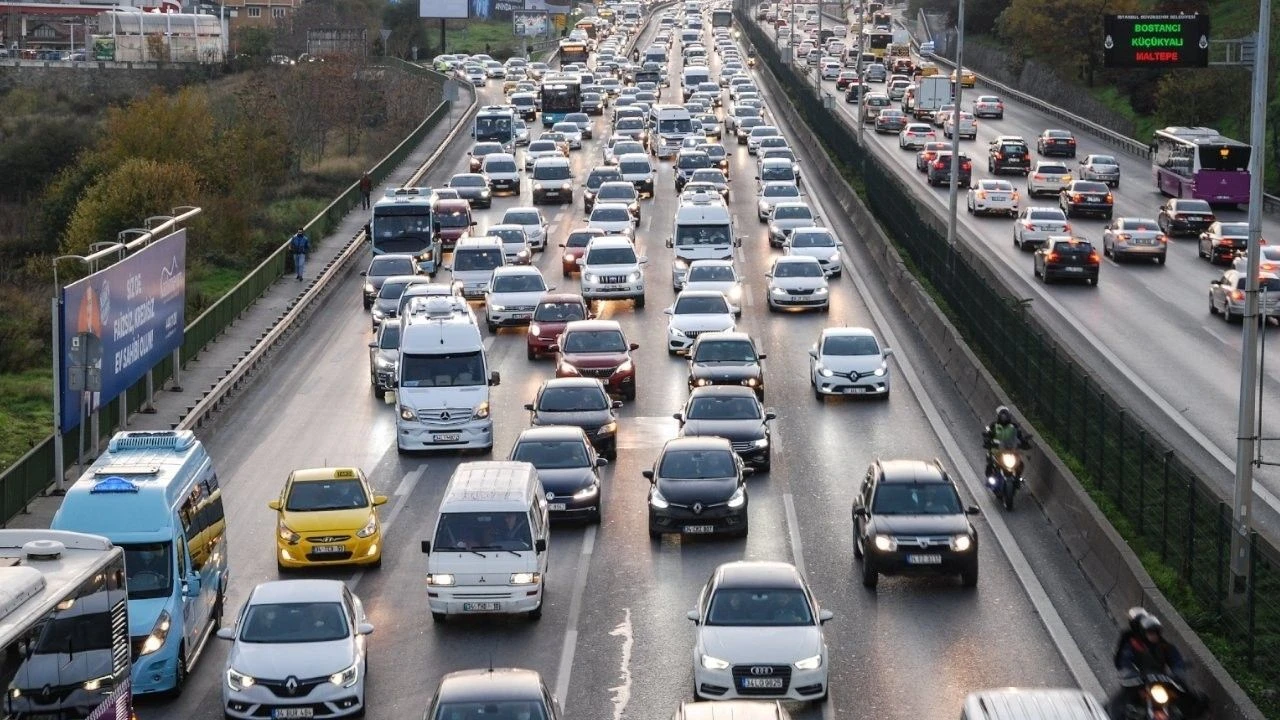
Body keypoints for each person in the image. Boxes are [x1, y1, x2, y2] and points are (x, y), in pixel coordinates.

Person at [1107, 609, 1201, 720]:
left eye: (1156, 632)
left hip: (1162, 682)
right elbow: (1125, 662)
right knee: (1120, 704)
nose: (1154, 635)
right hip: (1139, 682)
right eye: (1150, 632)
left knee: (1189, 697)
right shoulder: (1132, 645)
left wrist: (1178, 672)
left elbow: (1177, 661)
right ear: (1143, 632)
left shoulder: (1165, 647)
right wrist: (1131, 672)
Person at [981, 405, 1029, 478]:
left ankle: (1017, 478)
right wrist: (987, 439)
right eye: (1002, 415)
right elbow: (988, 433)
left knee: (1020, 463)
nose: (1004, 418)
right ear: (999, 416)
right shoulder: (994, 425)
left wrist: (1023, 441)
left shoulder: (1014, 426)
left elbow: (1019, 435)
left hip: (1011, 451)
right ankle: (991, 477)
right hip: (997, 451)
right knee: (990, 459)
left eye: (1006, 415)